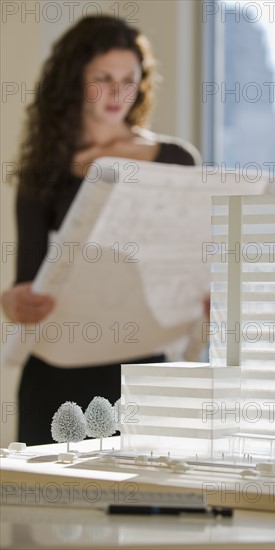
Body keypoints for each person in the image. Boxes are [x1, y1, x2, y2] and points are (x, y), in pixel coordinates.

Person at [1, 16, 202, 445]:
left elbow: (188, 257)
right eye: (103, 79)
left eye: (129, 79)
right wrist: (14, 302)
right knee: (49, 502)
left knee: (145, 500)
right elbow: (24, 284)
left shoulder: (175, 159)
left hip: (143, 366)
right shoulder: (44, 170)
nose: (118, 93)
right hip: (57, 369)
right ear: (74, 81)